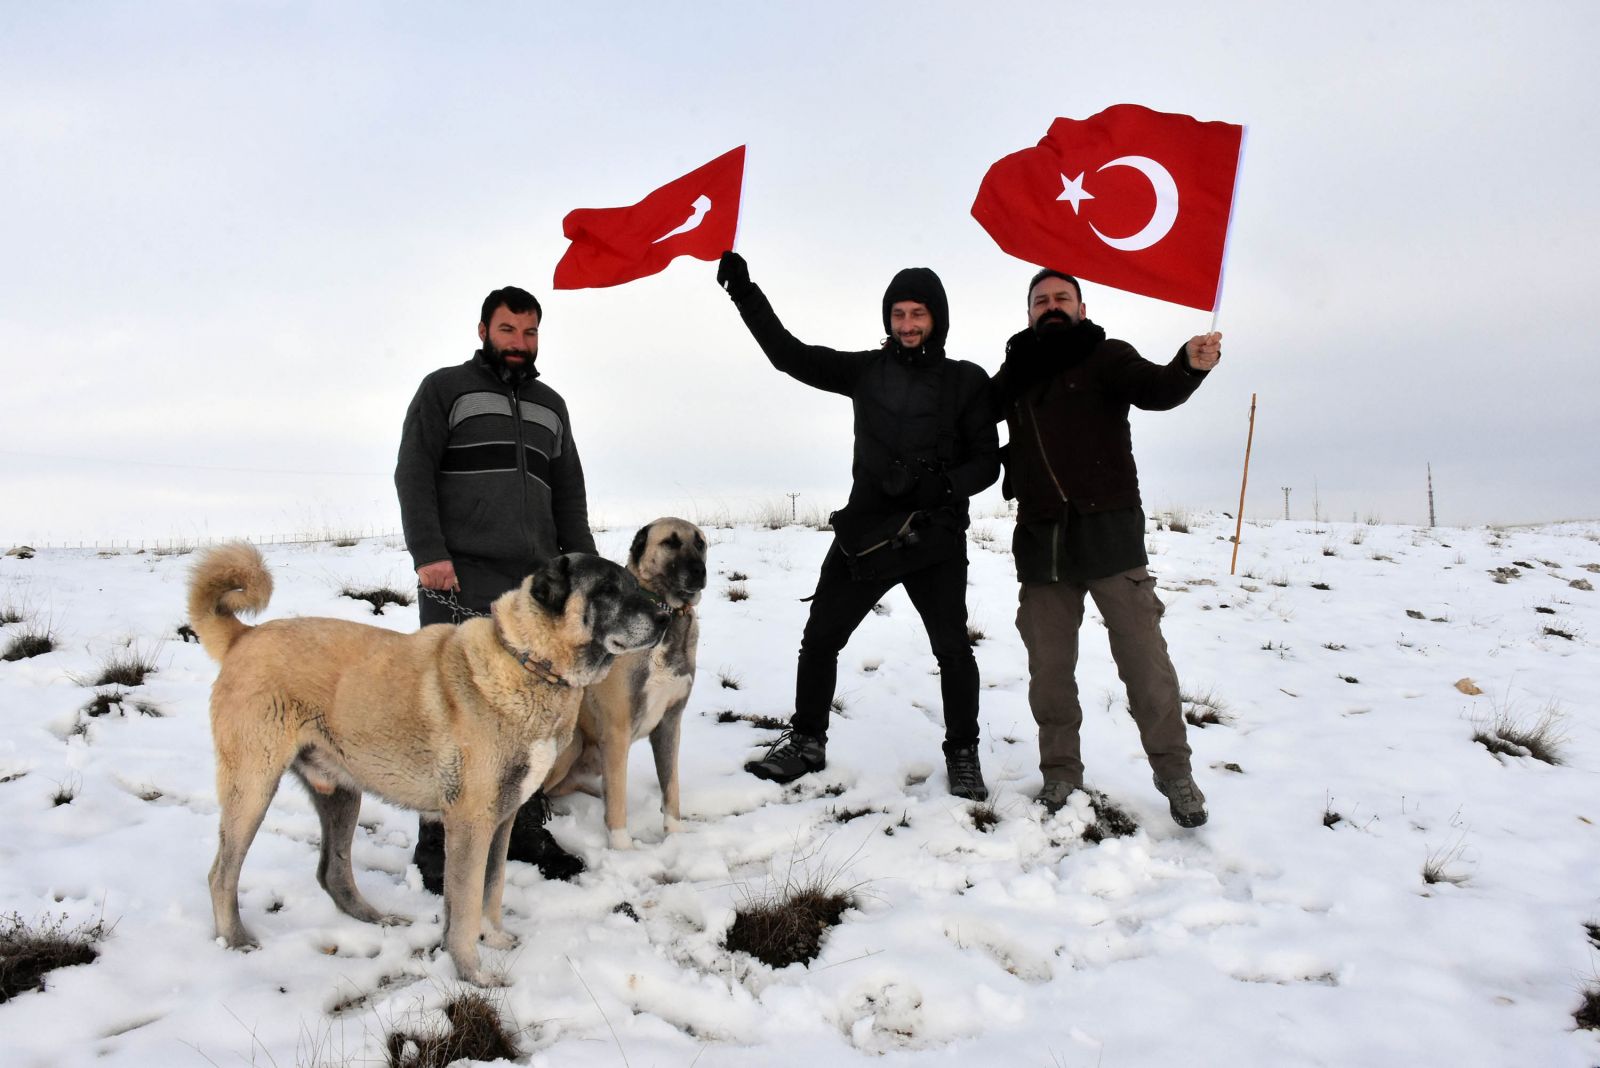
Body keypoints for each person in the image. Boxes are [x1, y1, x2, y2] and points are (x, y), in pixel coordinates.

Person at [714, 251, 1000, 799]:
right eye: (898, 314)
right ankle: (806, 742)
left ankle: (963, 752)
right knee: (819, 640)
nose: (908, 324)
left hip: (934, 537)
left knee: (952, 649)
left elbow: (987, 463)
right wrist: (744, 293)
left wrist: (938, 487)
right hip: (864, 538)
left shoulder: (967, 382)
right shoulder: (866, 371)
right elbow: (789, 356)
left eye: (918, 313)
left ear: (936, 317)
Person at [991, 269, 1220, 828]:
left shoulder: (1107, 356)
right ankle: (1061, 773)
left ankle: (1175, 774)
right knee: (1049, 670)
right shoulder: (1015, 372)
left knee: (1145, 664)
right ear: (1028, 313)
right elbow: (972, 423)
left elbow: (1157, 390)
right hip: (1042, 540)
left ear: (1081, 307)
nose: (1051, 306)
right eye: (1041, 300)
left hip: (1111, 534)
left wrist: (1189, 365)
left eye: (1061, 298)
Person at [394, 284, 597, 890]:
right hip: (457, 575)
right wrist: (429, 554)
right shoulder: (444, 390)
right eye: (508, 330)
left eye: (530, 333)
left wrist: (579, 567)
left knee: (530, 714)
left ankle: (524, 828)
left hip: (532, 588)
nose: (519, 344)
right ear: (483, 329)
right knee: (451, 714)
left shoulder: (550, 405)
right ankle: (438, 843)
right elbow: (414, 472)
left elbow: (569, 493)